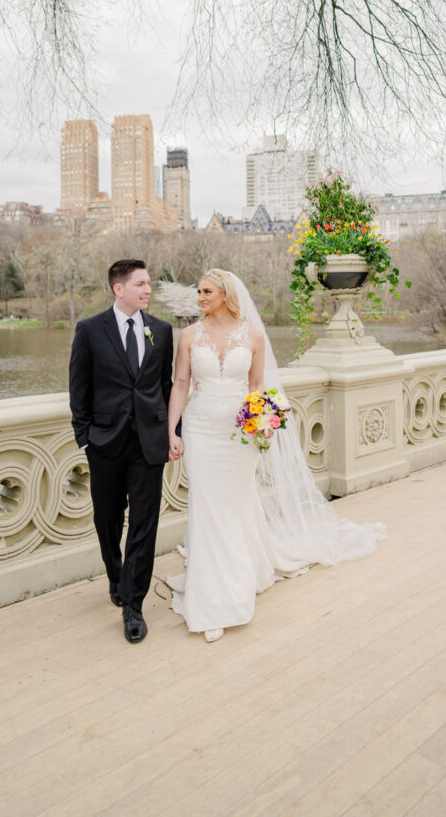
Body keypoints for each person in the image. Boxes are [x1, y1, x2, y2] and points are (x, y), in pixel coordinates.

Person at [167, 269, 386, 643]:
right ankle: (211, 594)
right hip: (201, 431)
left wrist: (263, 423)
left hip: (240, 435)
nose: (200, 297)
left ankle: (238, 581)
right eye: (198, 291)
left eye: (207, 291)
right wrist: (172, 430)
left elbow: (256, 386)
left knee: (234, 505)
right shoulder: (188, 335)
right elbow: (182, 383)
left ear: (226, 293)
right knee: (206, 507)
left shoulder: (253, 336)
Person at [69, 259, 175, 644]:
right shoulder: (90, 331)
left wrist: (169, 432)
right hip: (105, 444)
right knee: (108, 521)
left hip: (148, 444)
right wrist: (85, 437)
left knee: (144, 524)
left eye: (149, 283)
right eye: (141, 284)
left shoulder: (161, 331)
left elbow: (164, 387)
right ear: (119, 288)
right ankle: (116, 574)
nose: (148, 289)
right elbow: (78, 389)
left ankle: (133, 604)